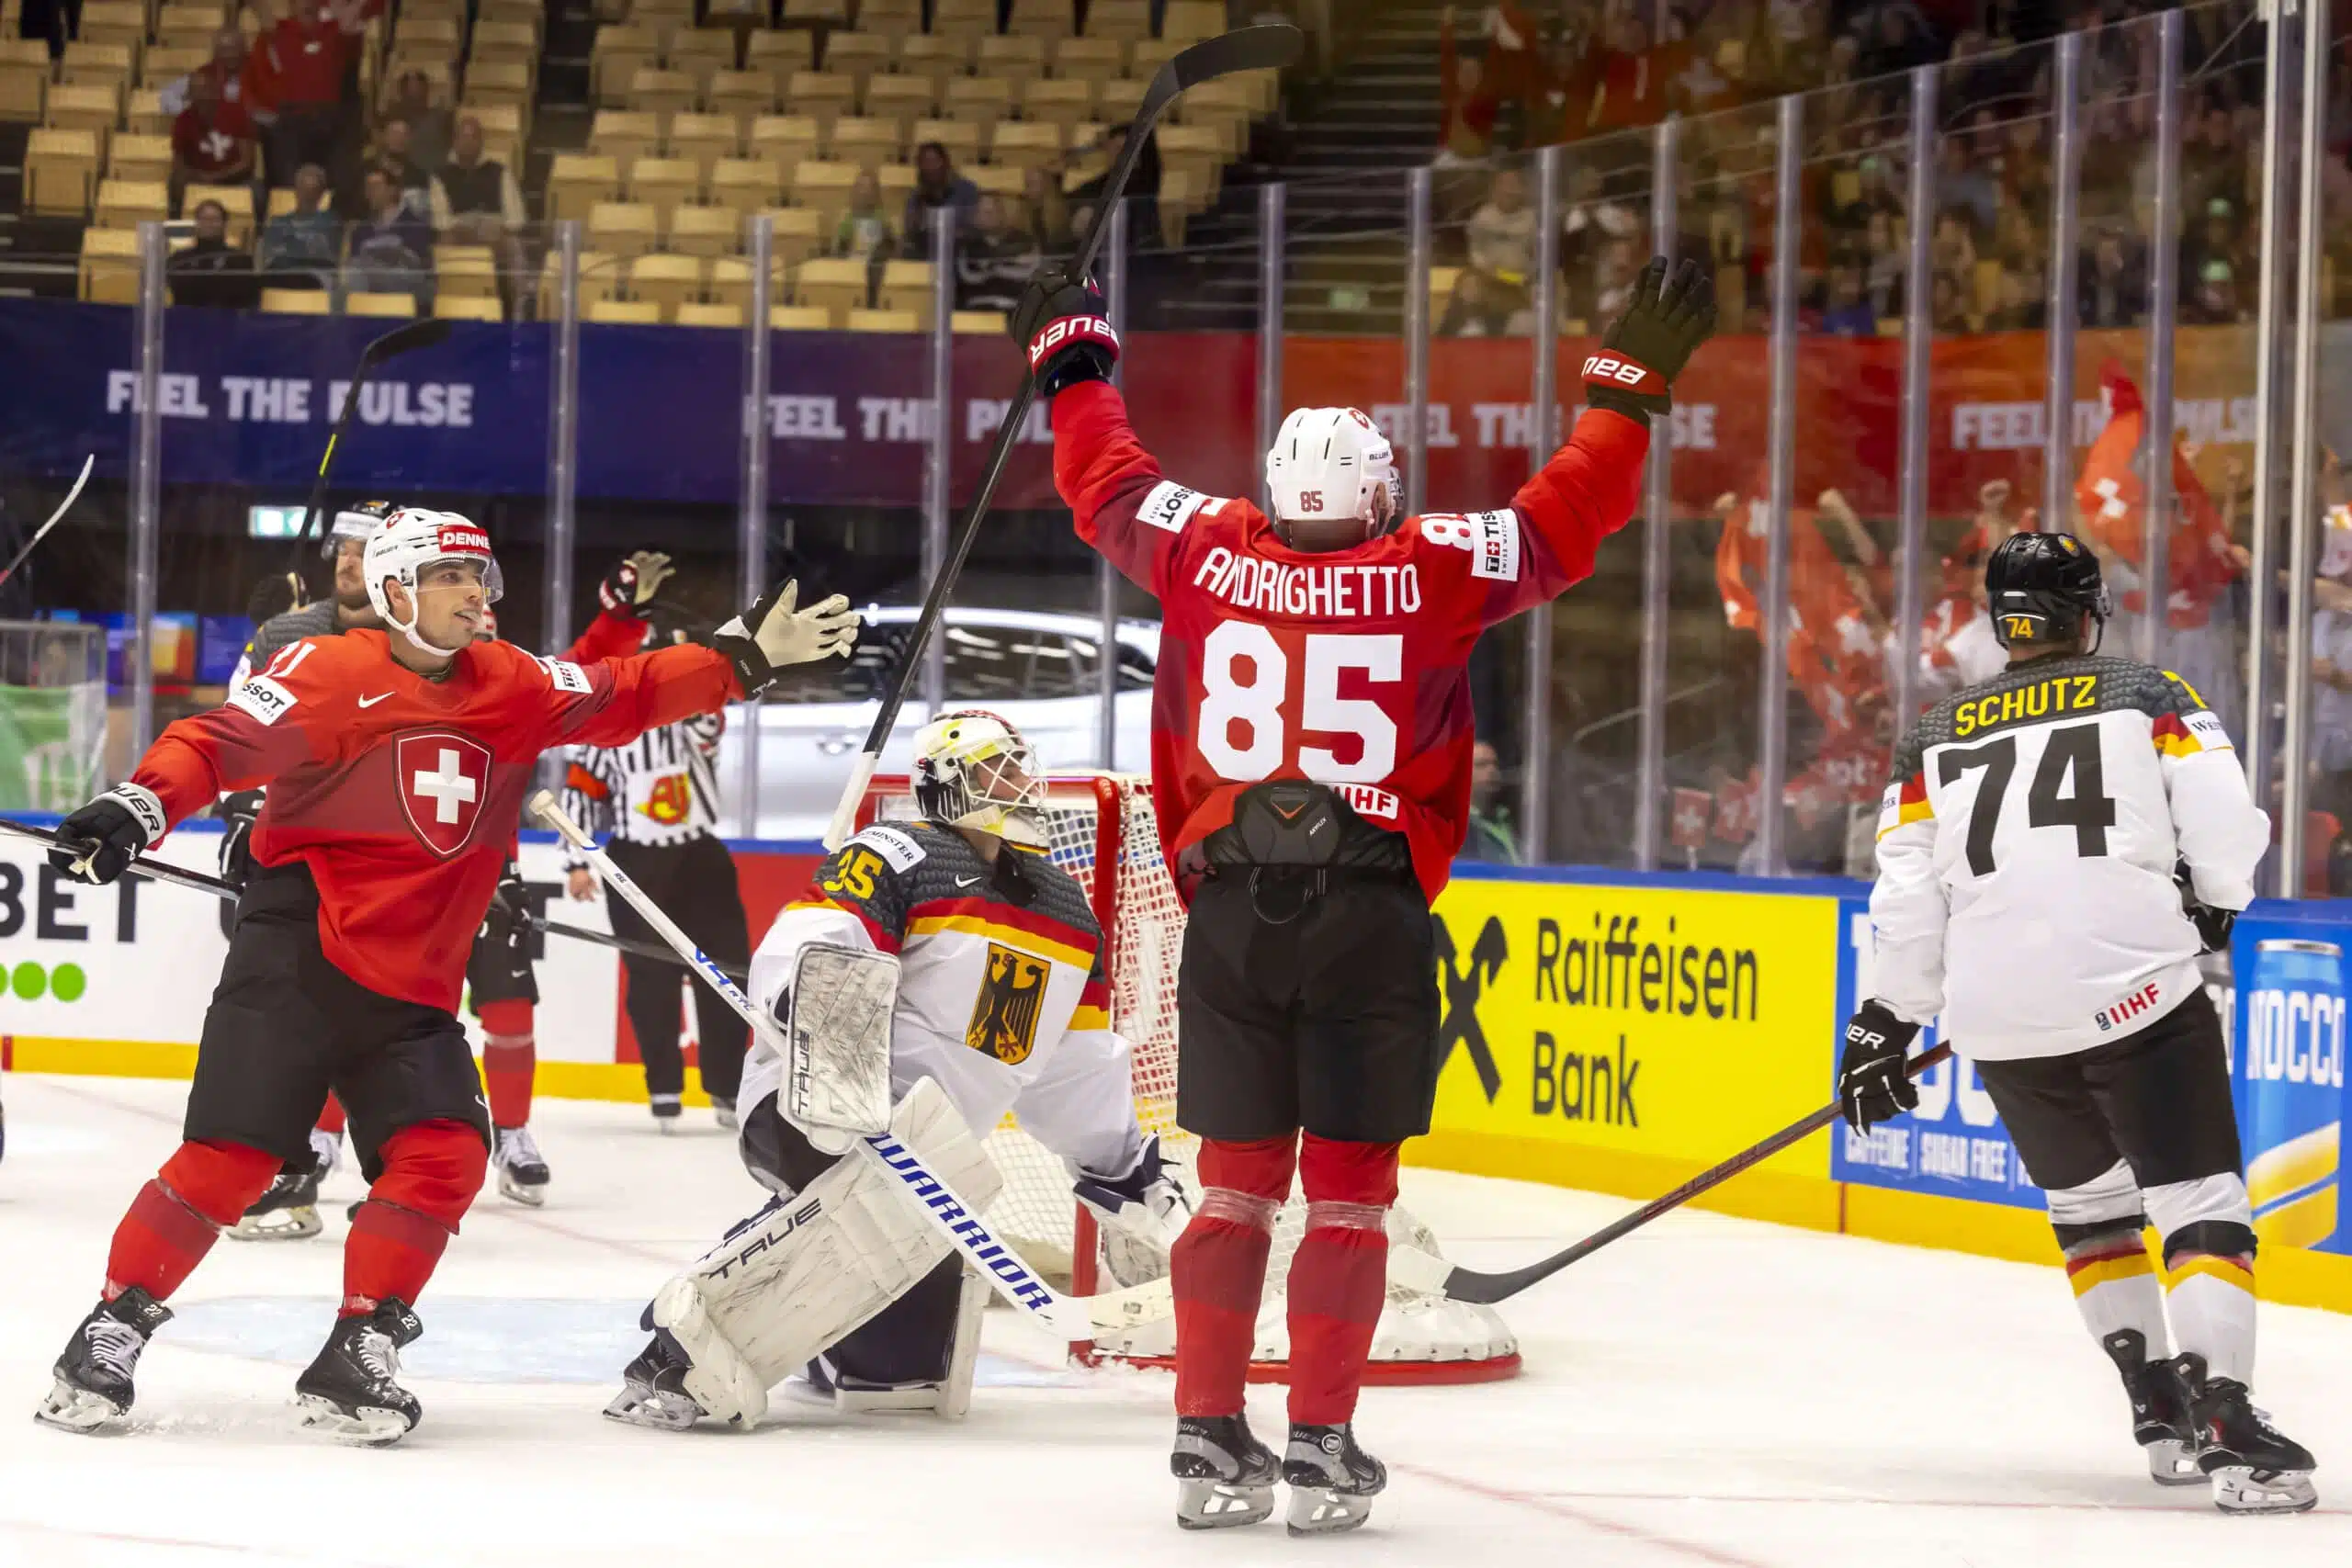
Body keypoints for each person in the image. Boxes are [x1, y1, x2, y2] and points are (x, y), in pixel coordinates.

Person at [1015, 254, 1713, 1530]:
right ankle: (1321, 1446)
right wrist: (1626, 388)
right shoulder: (1434, 563)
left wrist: (1073, 361)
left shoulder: (1205, 550)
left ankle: (1207, 1433)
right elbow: (1565, 512)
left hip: (1231, 915)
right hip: (1368, 911)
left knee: (1232, 1186)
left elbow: (1104, 479)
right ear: (1380, 492)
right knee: (1346, 1194)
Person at [32, 507, 859, 1443]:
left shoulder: (509, 681)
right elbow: (213, 742)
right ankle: (108, 1331)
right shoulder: (324, 670)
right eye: (450, 578)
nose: (476, 593)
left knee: (445, 1152)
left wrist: (742, 659)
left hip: (414, 981)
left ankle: (359, 1345)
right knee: (236, 1158)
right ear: (394, 591)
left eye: (480, 577)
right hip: (300, 951)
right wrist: (140, 804)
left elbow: (621, 690)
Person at [1844, 531, 2312, 1516]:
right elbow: (2225, 823)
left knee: (2091, 1208)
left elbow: (1906, 897)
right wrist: (2215, 898)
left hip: (2000, 1020)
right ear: (2089, 611)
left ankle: (2156, 1405)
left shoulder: (1933, 733)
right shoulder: (2148, 694)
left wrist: (1886, 1018)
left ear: (1999, 620)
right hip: (2137, 992)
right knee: (2197, 1198)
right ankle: (2225, 1419)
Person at [604, 710, 1182, 1430]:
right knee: (856, 1191)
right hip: (815, 1100)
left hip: (927, 1154)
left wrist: (1122, 1170)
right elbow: (819, 938)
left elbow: (1073, 1065)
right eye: (996, 765)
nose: (1018, 779)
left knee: (897, 1377)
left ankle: (825, 1351)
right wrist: (809, 1008)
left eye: (1018, 763)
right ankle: (675, 1351)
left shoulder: (1066, 908)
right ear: (948, 781)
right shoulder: (898, 852)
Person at [224, 535, 684, 1228]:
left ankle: (514, 1135)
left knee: (508, 1006)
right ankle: (321, 1142)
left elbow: (587, 673)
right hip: (403, 880)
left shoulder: (510, 690)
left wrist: (620, 615)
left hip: (488, 878)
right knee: (354, 1009)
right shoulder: (393, 685)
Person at [558, 597, 754, 1134]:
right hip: (636, 861)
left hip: (699, 856)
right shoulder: (607, 725)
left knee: (726, 972)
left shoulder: (696, 717)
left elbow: (709, 729)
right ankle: (664, 1087)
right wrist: (576, 861)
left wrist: (703, 672)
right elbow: (581, 794)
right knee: (651, 977)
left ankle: (727, 1086)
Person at [428, 116, 527, 310]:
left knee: (514, 245)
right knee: (444, 240)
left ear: (481, 141)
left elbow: (516, 218)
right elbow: (440, 220)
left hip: (493, 230)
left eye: (473, 137)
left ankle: (518, 308)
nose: (468, 143)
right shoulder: (440, 175)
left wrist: (497, 233)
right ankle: (443, 302)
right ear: (454, 141)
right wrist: (467, 232)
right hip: (459, 230)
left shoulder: (500, 172)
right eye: (463, 137)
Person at [169, 70, 256, 217]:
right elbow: (179, 163)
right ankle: (181, 224)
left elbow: (246, 162)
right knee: (176, 182)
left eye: (204, 89)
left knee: (257, 191)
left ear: (215, 91)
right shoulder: (183, 120)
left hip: (234, 179)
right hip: (198, 178)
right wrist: (197, 176)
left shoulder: (237, 113)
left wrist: (216, 177)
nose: (201, 96)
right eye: (195, 91)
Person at [1461, 166, 1536, 333]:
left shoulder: (1533, 220)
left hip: (1520, 283)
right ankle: (1474, 324)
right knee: (1470, 282)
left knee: (1537, 297)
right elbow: (1475, 252)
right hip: (1488, 279)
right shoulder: (1482, 217)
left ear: (1523, 190)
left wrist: (1525, 276)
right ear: (1494, 189)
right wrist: (1490, 271)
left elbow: (1538, 257)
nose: (1509, 190)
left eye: (1514, 185)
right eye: (1504, 184)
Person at [344, 166, 433, 304]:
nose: (370, 193)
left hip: (406, 288)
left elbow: (416, 265)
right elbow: (354, 263)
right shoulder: (361, 230)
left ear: (392, 190)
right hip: (369, 286)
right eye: (367, 188)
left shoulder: (414, 225)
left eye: (376, 187)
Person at [954, 193, 1041, 314]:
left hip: (1014, 310)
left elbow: (1029, 275)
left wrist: (991, 268)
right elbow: (968, 278)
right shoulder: (966, 247)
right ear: (975, 216)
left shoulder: (1025, 243)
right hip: (976, 310)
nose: (989, 216)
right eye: (984, 212)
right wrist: (1007, 263)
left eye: (993, 211)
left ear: (1002, 214)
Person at [256, 163, 341, 283]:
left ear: (320, 195)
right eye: (303, 191)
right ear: (296, 191)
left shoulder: (329, 222)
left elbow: (327, 258)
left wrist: (291, 245)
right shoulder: (278, 222)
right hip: (282, 275)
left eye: (312, 192)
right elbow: (270, 257)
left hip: (315, 277)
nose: (306, 197)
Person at [165, 200, 256, 310]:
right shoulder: (180, 258)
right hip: (186, 317)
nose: (209, 224)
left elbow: (244, 296)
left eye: (214, 219)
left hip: (226, 317)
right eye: (204, 219)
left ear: (224, 223)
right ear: (196, 223)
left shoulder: (240, 260)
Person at [901, 140, 979, 260]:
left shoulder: (966, 189)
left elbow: (975, 226)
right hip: (925, 251)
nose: (930, 167)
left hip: (960, 251)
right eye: (925, 162)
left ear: (945, 163)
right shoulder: (917, 194)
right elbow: (910, 229)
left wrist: (949, 233)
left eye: (935, 161)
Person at [1459, 740, 1518, 863]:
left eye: (1495, 764)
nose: (1492, 770)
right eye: (1481, 765)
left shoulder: (1508, 819)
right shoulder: (1455, 826)